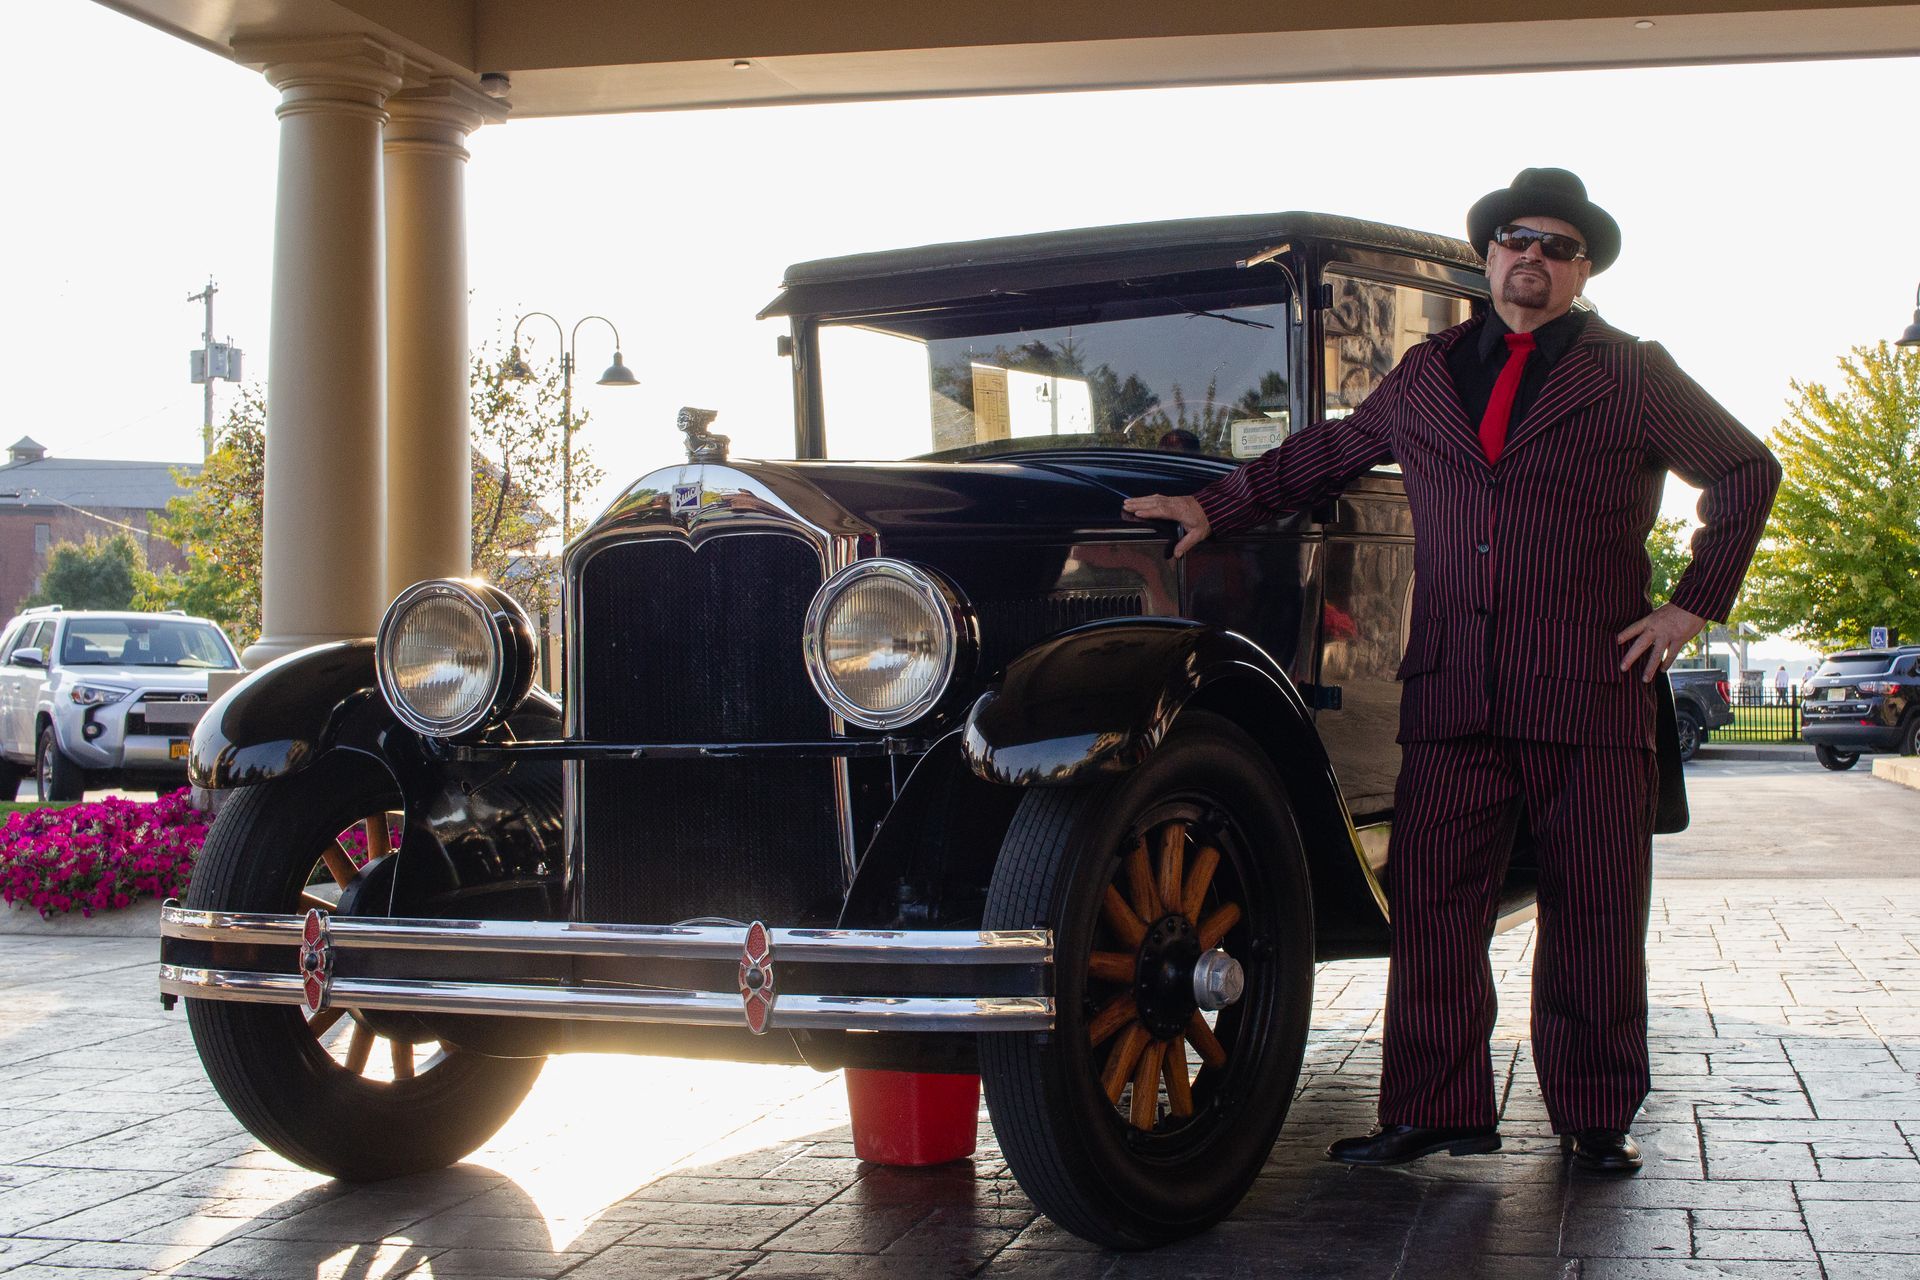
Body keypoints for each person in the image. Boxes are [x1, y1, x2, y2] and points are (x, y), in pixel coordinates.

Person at [1123, 168, 1779, 1175]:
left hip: (1587, 689)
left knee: (1595, 906)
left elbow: (1744, 468)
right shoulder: (1426, 372)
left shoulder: (1632, 371)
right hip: (1454, 690)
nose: (1536, 259)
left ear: (1583, 268)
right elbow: (1335, 450)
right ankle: (1437, 1107)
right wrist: (1218, 505)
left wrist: (1693, 603)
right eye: (1520, 239)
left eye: (1561, 247)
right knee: (1431, 906)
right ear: (1489, 254)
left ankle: (1596, 1113)